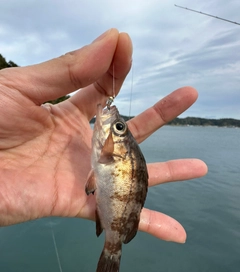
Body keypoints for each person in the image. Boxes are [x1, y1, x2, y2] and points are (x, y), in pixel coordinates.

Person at [0, 28, 207, 243]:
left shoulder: (107, 152)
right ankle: (113, 244)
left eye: (118, 128)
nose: (115, 123)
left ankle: (112, 246)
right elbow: (96, 179)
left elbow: (96, 179)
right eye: (120, 127)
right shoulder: (106, 151)